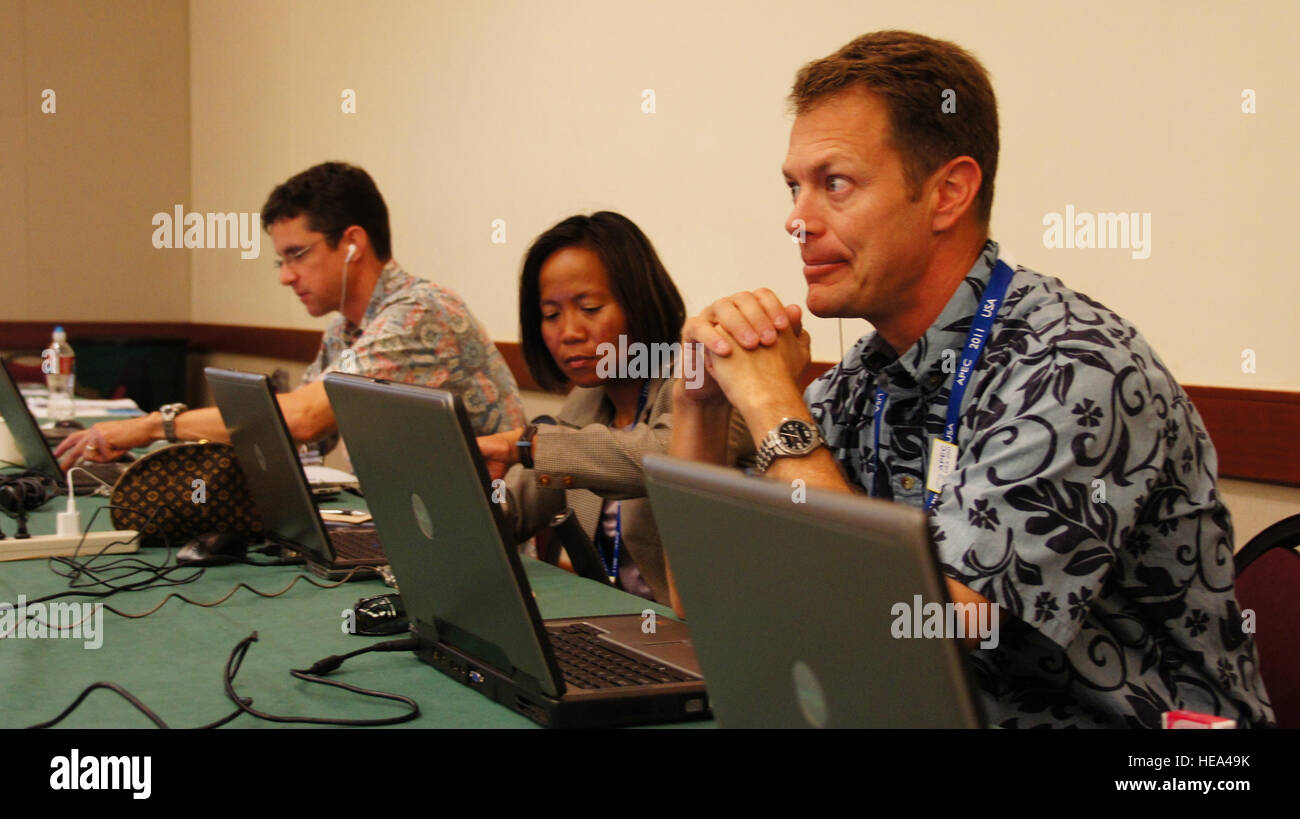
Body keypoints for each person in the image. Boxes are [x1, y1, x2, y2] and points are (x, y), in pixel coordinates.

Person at [669, 31, 1274, 728]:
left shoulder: (1075, 369)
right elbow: (704, 609)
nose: (796, 221)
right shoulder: (866, 374)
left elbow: (911, 630)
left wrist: (774, 403)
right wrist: (700, 405)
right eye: (793, 187)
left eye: (834, 183)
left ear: (949, 193)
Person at [56, 162, 525, 469]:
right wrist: (160, 455)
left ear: (353, 245)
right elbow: (296, 440)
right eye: (281, 260)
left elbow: (300, 421)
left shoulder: (420, 315)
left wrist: (153, 426)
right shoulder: (347, 329)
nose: (286, 276)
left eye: (297, 254)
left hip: (484, 543)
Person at [476, 212, 750, 606]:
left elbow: (663, 455)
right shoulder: (587, 400)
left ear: (638, 303)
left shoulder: (704, 380)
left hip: (703, 636)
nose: (569, 332)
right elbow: (519, 504)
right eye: (551, 315)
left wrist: (525, 445)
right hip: (621, 627)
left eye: (589, 308)